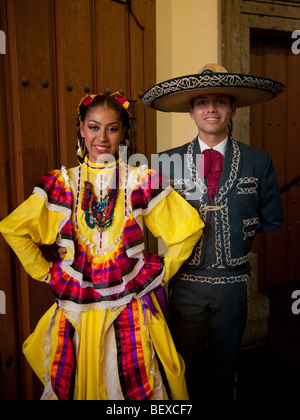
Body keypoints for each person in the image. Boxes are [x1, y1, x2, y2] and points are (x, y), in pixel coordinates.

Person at [0, 92, 204, 400]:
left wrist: (159, 272)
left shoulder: (140, 179)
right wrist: (46, 272)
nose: (102, 137)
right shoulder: (63, 183)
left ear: (123, 132)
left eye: (112, 128)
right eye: (94, 127)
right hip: (76, 308)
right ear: (81, 128)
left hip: (129, 307)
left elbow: (189, 228)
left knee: (132, 384)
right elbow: (13, 228)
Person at [142, 63, 284, 401]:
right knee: (183, 365)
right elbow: (139, 217)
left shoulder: (258, 160)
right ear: (191, 111)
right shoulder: (163, 162)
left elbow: (270, 218)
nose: (211, 108)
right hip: (185, 283)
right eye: (202, 101)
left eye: (220, 101)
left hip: (234, 284)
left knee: (226, 366)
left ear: (233, 108)